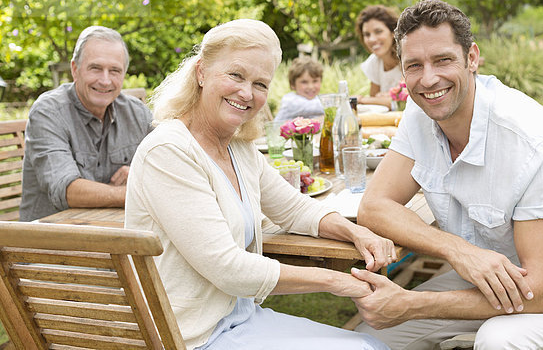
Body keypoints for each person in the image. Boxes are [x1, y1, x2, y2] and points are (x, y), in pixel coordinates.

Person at [125, 19, 395, 350]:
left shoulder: (238, 146)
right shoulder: (168, 150)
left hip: (240, 319)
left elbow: (294, 208)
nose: (246, 93)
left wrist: (357, 232)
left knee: (372, 347)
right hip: (191, 337)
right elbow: (228, 269)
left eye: (260, 84)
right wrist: (339, 281)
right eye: (236, 75)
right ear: (201, 72)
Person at [351, 0, 543, 349]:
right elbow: (374, 206)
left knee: (499, 341)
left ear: (472, 58)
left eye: (443, 60)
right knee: (366, 338)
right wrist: (457, 251)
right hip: (481, 279)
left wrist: (411, 304)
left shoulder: (534, 140)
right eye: (414, 66)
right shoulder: (420, 112)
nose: (429, 79)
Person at [20, 26, 153, 222]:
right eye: (96, 68)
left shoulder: (137, 113)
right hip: (47, 240)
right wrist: (137, 191)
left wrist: (139, 173)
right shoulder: (48, 112)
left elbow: (171, 166)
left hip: (108, 235)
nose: (105, 80)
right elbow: (67, 190)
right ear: (75, 69)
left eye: (114, 71)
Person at [355, 5, 403, 108]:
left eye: (378, 32)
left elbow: (402, 102)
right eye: (367, 34)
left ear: (393, 32)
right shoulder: (373, 62)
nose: (372, 39)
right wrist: (377, 99)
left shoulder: (406, 58)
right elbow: (374, 103)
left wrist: (362, 100)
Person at [274, 56, 324, 121]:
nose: (311, 87)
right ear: (293, 84)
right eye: (304, 82)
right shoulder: (290, 101)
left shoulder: (317, 99)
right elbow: (320, 106)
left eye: (315, 81)